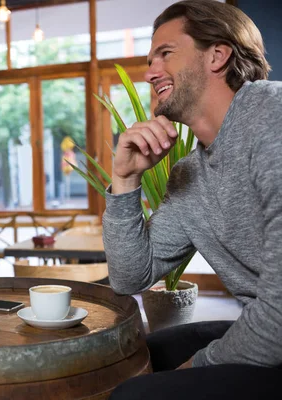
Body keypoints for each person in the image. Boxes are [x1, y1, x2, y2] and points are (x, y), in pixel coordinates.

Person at [102, 1, 282, 399]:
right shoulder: (190, 173)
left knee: (134, 395)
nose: (150, 73)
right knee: (136, 354)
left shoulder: (273, 115)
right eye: (150, 61)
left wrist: (196, 366)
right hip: (269, 323)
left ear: (217, 55)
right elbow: (130, 276)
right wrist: (126, 178)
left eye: (165, 54)